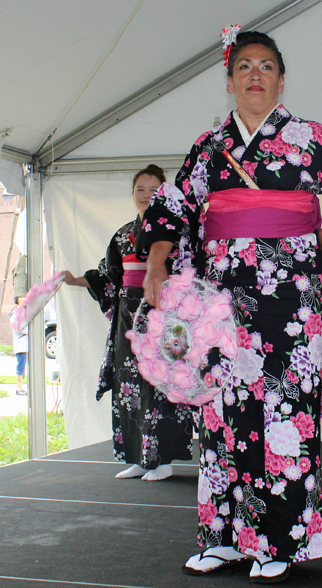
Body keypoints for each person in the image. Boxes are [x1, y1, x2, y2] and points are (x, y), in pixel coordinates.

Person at [138, 30, 322, 583]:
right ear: (229, 82)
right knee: (221, 417)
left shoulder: (313, 140)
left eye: (267, 66)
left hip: (290, 305)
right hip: (222, 302)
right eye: (244, 66)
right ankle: (222, 538)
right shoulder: (209, 148)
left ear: (280, 79)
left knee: (282, 419)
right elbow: (172, 209)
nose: (255, 74)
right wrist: (157, 263)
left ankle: (279, 542)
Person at [62, 165, 194, 481]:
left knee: (159, 386)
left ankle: (161, 460)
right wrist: (75, 280)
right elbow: (108, 276)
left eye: (154, 190)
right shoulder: (123, 235)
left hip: (165, 316)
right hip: (128, 317)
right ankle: (137, 456)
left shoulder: (177, 232)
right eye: (140, 189)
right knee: (128, 384)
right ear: (132, 194)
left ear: (165, 194)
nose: (146, 195)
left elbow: (191, 273)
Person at [11, 298, 28, 395]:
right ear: (17, 300)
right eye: (21, 297)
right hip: (21, 344)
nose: (24, 299)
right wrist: (30, 330)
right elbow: (19, 328)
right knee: (21, 366)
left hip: (25, 343)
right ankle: (19, 388)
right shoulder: (15, 313)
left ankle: (21, 387)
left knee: (24, 366)